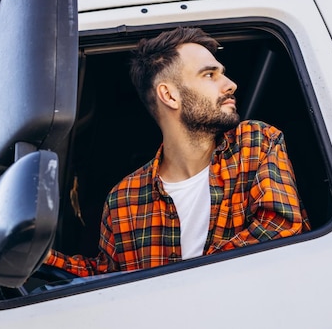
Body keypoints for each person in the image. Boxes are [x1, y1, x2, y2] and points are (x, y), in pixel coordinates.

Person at [45, 26, 310, 276]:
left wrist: (179, 283)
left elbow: (282, 229)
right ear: (170, 96)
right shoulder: (123, 199)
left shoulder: (255, 142)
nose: (230, 84)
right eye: (210, 74)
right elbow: (108, 277)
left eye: (222, 72)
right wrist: (38, 258)